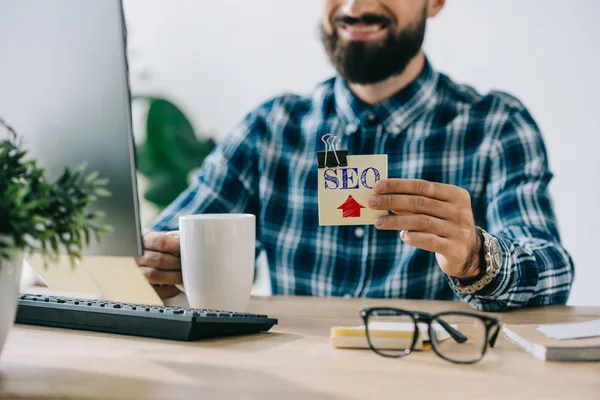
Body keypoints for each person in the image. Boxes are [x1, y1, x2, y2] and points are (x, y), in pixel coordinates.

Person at [135, 0, 574, 311]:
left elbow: (552, 271)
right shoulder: (269, 130)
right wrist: (155, 262)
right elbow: (162, 242)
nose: (354, 5)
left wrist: (477, 257)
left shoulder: (495, 126)